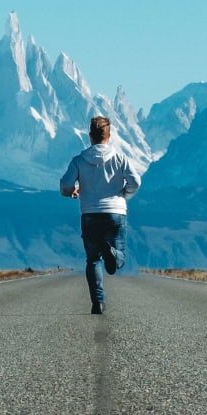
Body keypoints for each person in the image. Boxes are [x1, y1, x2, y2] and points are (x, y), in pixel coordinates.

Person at [60, 114, 140, 314]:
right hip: (115, 213)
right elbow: (135, 182)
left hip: (89, 213)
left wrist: (72, 191)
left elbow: (65, 184)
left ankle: (98, 302)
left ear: (90, 136)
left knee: (93, 259)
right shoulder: (120, 158)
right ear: (109, 135)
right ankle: (113, 254)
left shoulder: (79, 160)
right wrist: (124, 194)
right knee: (119, 259)